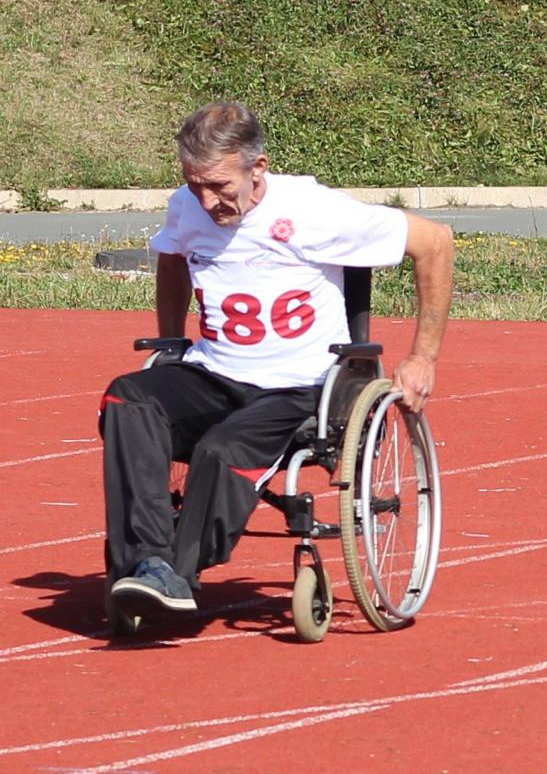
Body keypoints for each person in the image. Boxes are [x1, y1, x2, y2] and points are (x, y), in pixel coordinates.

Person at [98, 102, 455, 620]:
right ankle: (148, 564)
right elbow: (172, 256)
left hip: (300, 386)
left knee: (223, 448)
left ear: (258, 168)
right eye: (194, 183)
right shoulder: (188, 205)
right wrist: (171, 340)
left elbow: (435, 242)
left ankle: (177, 568)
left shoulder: (314, 210)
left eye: (219, 186)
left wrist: (423, 357)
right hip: (215, 372)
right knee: (127, 397)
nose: (207, 199)